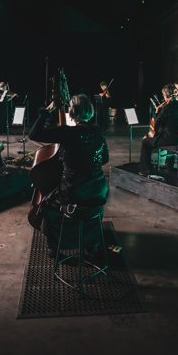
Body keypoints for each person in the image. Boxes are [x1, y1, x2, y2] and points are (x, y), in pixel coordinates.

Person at [28, 94, 109, 257]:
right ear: (90, 111)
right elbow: (105, 159)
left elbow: (33, 135)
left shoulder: (67, 132)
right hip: (99, 190)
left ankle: (56, 247)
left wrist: (43, 114)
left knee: (47, 204)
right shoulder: (97, 132)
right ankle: (91, 243)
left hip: (75, 191)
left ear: (72, 112)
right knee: (91, 207)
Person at [139, 84, 178, 176]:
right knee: (170, 136)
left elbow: (156, 122)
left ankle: (146, 170)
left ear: (166, 95)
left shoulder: (168, 107)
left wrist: (157, 110)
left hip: (169, 139)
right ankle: (170, 167)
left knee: (145, 142)